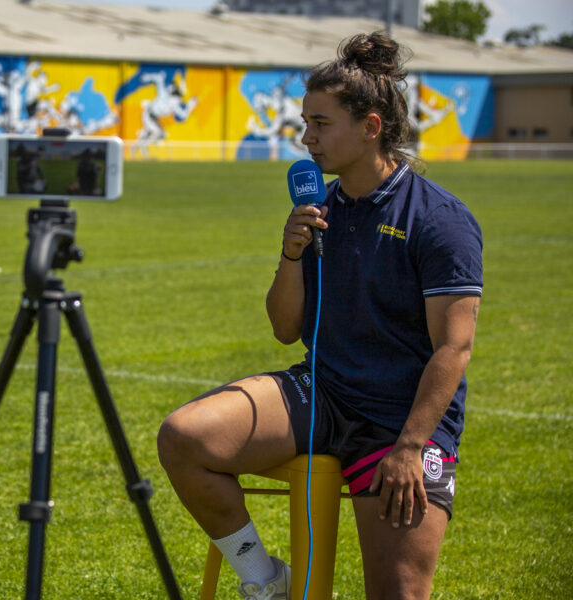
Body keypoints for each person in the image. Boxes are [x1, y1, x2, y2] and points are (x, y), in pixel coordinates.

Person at [157, 32, 482, 600]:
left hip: (400, 419)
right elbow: (285, 330)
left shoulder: (440, 220)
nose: (306, 138)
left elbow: (452, 349)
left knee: (399, 593)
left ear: (371, 127)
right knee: (185, 438)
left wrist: (411, 446)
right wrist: (291, 252)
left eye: (321, 124)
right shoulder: (317, 209)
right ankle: (265, 580)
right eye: (305, 122)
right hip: (322, 392)